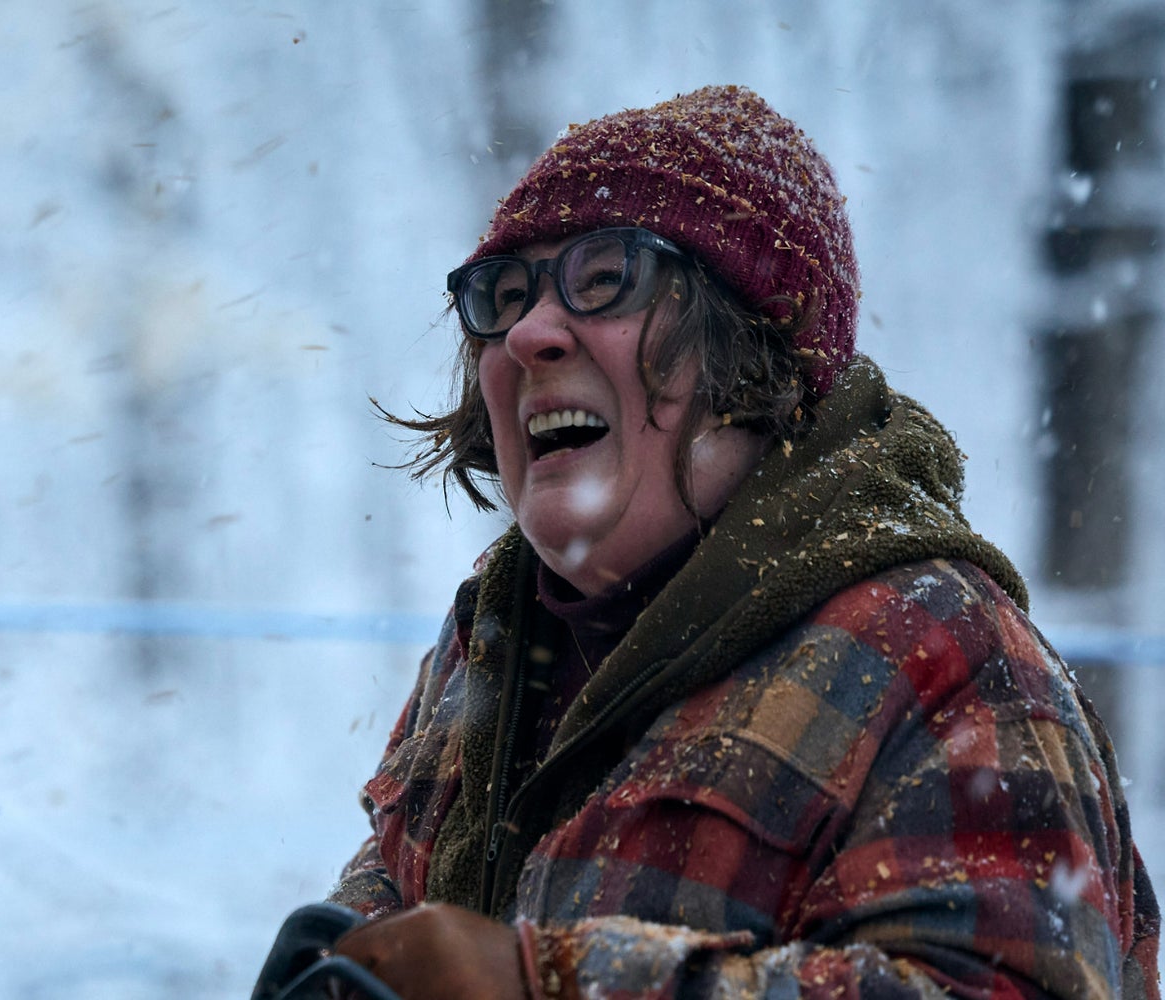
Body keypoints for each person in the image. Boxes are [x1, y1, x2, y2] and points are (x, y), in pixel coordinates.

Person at [313, 86, 1161, 999]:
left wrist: (548, 985)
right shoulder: (490, 638)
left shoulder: (941, 654)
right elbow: (392, 903)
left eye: (605, 278)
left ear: (756, 346)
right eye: (505, 295)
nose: (527, 334)